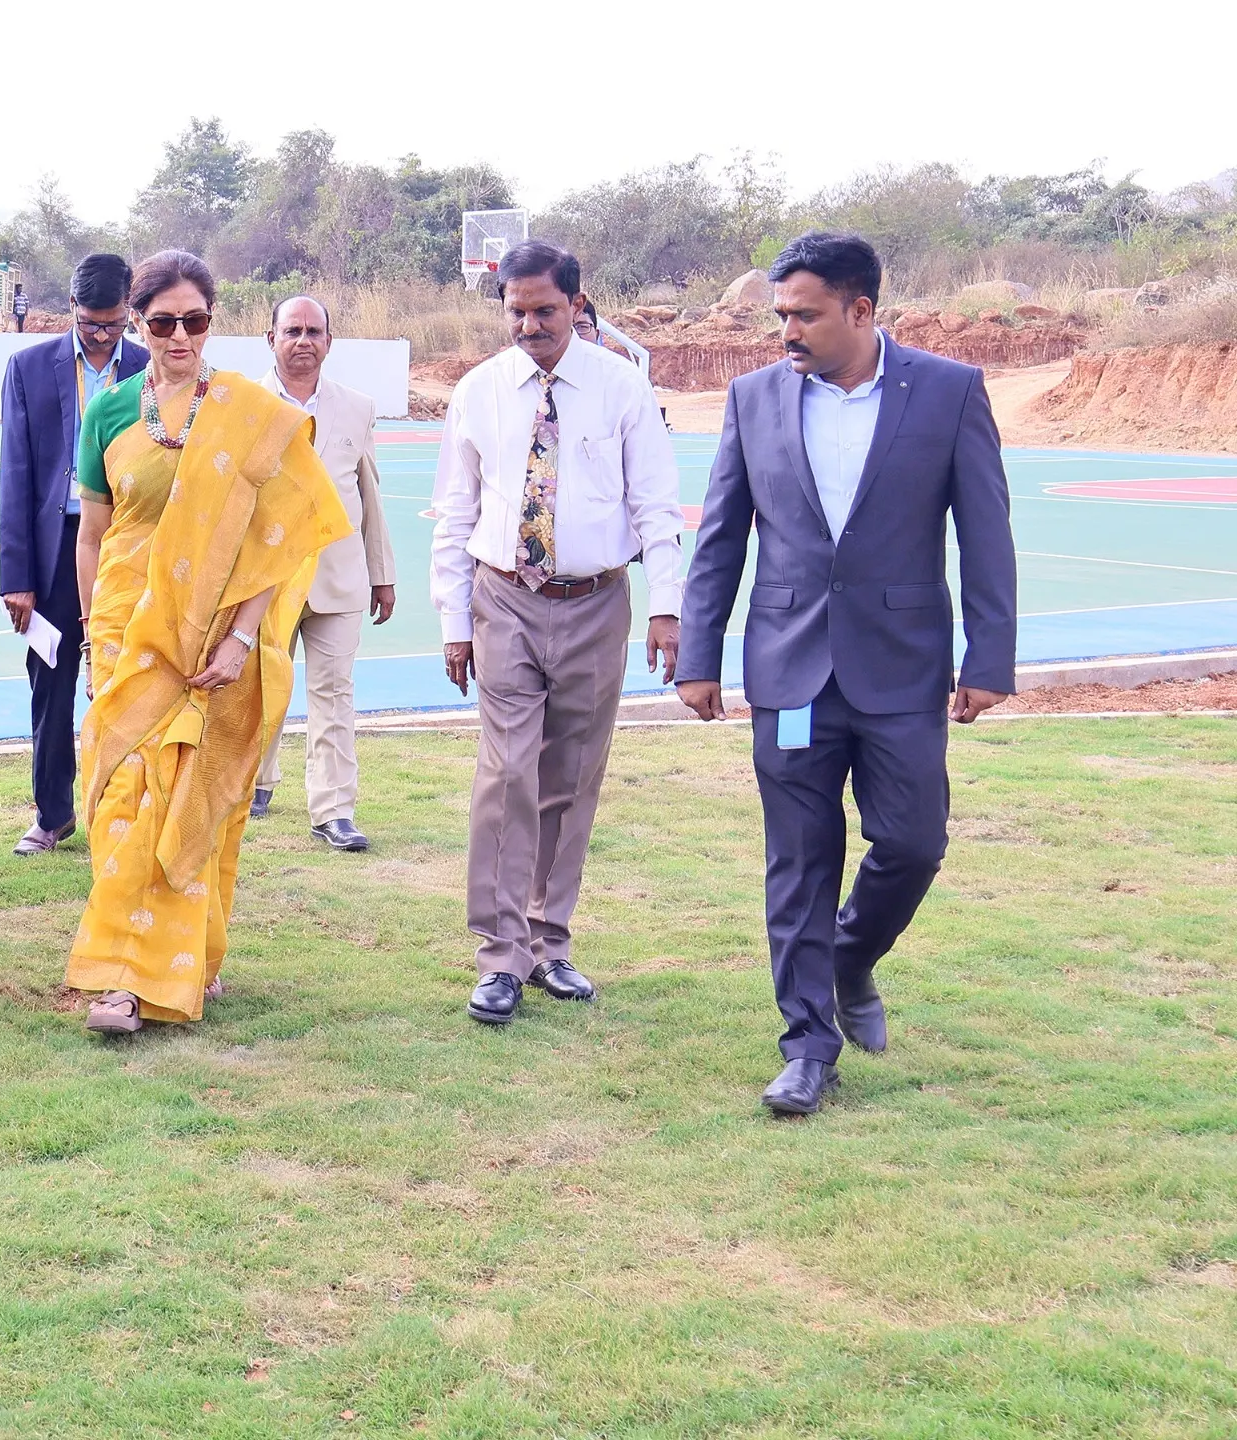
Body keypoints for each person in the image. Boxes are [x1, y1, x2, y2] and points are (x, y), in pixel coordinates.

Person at [676, 231, 1017, 1116]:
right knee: (798, 860)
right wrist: (700, 656)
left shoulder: (947, 392)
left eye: (805, 314)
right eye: (780, 313)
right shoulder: (752, 398)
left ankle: (850, 958)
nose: (786, 330)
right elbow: (719, 537)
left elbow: (986, 533)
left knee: (912, 843)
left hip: (902, 670)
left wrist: (990, 658)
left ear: (861, 310)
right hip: (789, 673)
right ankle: (805, 1046)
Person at [66, 250, 350, 1034]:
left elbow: (281, 533)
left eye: (195, 320)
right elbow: (94, 533)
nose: (180, 335)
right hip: (130, 631)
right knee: (125, 795)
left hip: (221, 636)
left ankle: (172, 966)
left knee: (197, 799)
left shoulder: (248, 413)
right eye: (163, 322)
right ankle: (123, 974)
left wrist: (243, 636)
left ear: (212, 321)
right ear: (138, 323)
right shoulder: (112, 411)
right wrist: (96, 634)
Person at [432, 240, 685, 1027]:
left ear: (577, 304)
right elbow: (456, 513)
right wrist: (453, 622)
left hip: (596, 602)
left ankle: (550, 942)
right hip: (502, 598)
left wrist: (666, 607)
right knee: (509, 774)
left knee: (571, 777)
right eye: (517, 311)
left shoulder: (622, 388)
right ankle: (500, 957)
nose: (531, 324)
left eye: (545, 309)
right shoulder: (479, 392)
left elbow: (656, 505)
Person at [0, 253, 146, 857]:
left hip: (130, 546)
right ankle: (53, 814)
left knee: (138, 679)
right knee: (51, 682)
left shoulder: (149, 366)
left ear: (129, 315)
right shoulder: (29, 368)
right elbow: (15, 474)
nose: (103, 336)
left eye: (113, 324)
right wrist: (17, 577)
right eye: (91, 324)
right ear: (72, 313)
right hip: (57, 551)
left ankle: (129, 811)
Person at [253, 294, 397, 848]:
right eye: (292, 330)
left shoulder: (357, 407)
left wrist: (381, 572)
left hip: (339, 579)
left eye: (314, 331)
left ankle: (333, 811)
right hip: (264, 584)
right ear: (272, 339)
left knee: (334, 693)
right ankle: (256, 782)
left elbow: (369, 495)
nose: (303, 341)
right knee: (263, 688)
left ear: (330, 342)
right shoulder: (243, 407)